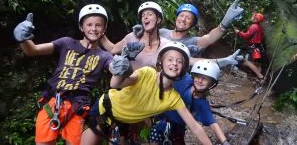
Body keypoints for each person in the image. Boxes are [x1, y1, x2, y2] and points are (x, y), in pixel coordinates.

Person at [13, 4, 113, 145]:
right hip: (52, 101)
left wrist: (123, 67)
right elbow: (33, 50)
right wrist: (23, 39)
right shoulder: (66, 43)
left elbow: (115, 68)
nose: (93, 29)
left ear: (104, 28)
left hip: (77, 106)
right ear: (81, 27)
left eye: (98, 25)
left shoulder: (105, 56)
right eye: (89, 24)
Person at [81, 41, 213, 145]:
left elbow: (195, 127)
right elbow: (116, 84)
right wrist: (120, 70)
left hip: (123, 122)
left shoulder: (173, 98)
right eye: (170, 59)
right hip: (103, 110)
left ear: (184, 68)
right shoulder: (147, 73)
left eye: (180, 61)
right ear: (161, 62)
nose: (175, 64)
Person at [133, 0, 244, 67]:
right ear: (176, 18)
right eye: (181, 15)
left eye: (188, 18)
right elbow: (145, 39)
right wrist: (143, 30)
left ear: (192, 24)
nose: (183, 19)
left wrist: (226, 21)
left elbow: (211, 37)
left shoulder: (193, 41)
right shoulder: (162, 32)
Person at [149, 60, 229, 145]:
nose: (200, 80)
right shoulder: (184, 79)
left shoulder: (201, 104)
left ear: (211, 84)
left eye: (205, 78)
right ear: (193, 76)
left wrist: (225, 142)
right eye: (198, 76)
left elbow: (213, 124)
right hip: (159, 122)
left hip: (177, 131)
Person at [101, 1, 170, 70]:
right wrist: (100, 33)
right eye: (143, 15)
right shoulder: (132, 38)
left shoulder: (165, 45)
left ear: (158, 20)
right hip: (130, 80)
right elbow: (113, 49)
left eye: (149, 14)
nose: (145, 17)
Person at [234, 12, 265, 81]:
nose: (251, 17)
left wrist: (238, 32)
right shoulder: (259, 27)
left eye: (253, 16)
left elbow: (246, 36)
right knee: (257, 63)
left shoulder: (254, 26)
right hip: (258, 46)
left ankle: (260, 77)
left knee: (247, 62)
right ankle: (259, 78)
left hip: (253, 47)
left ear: (255, 19)